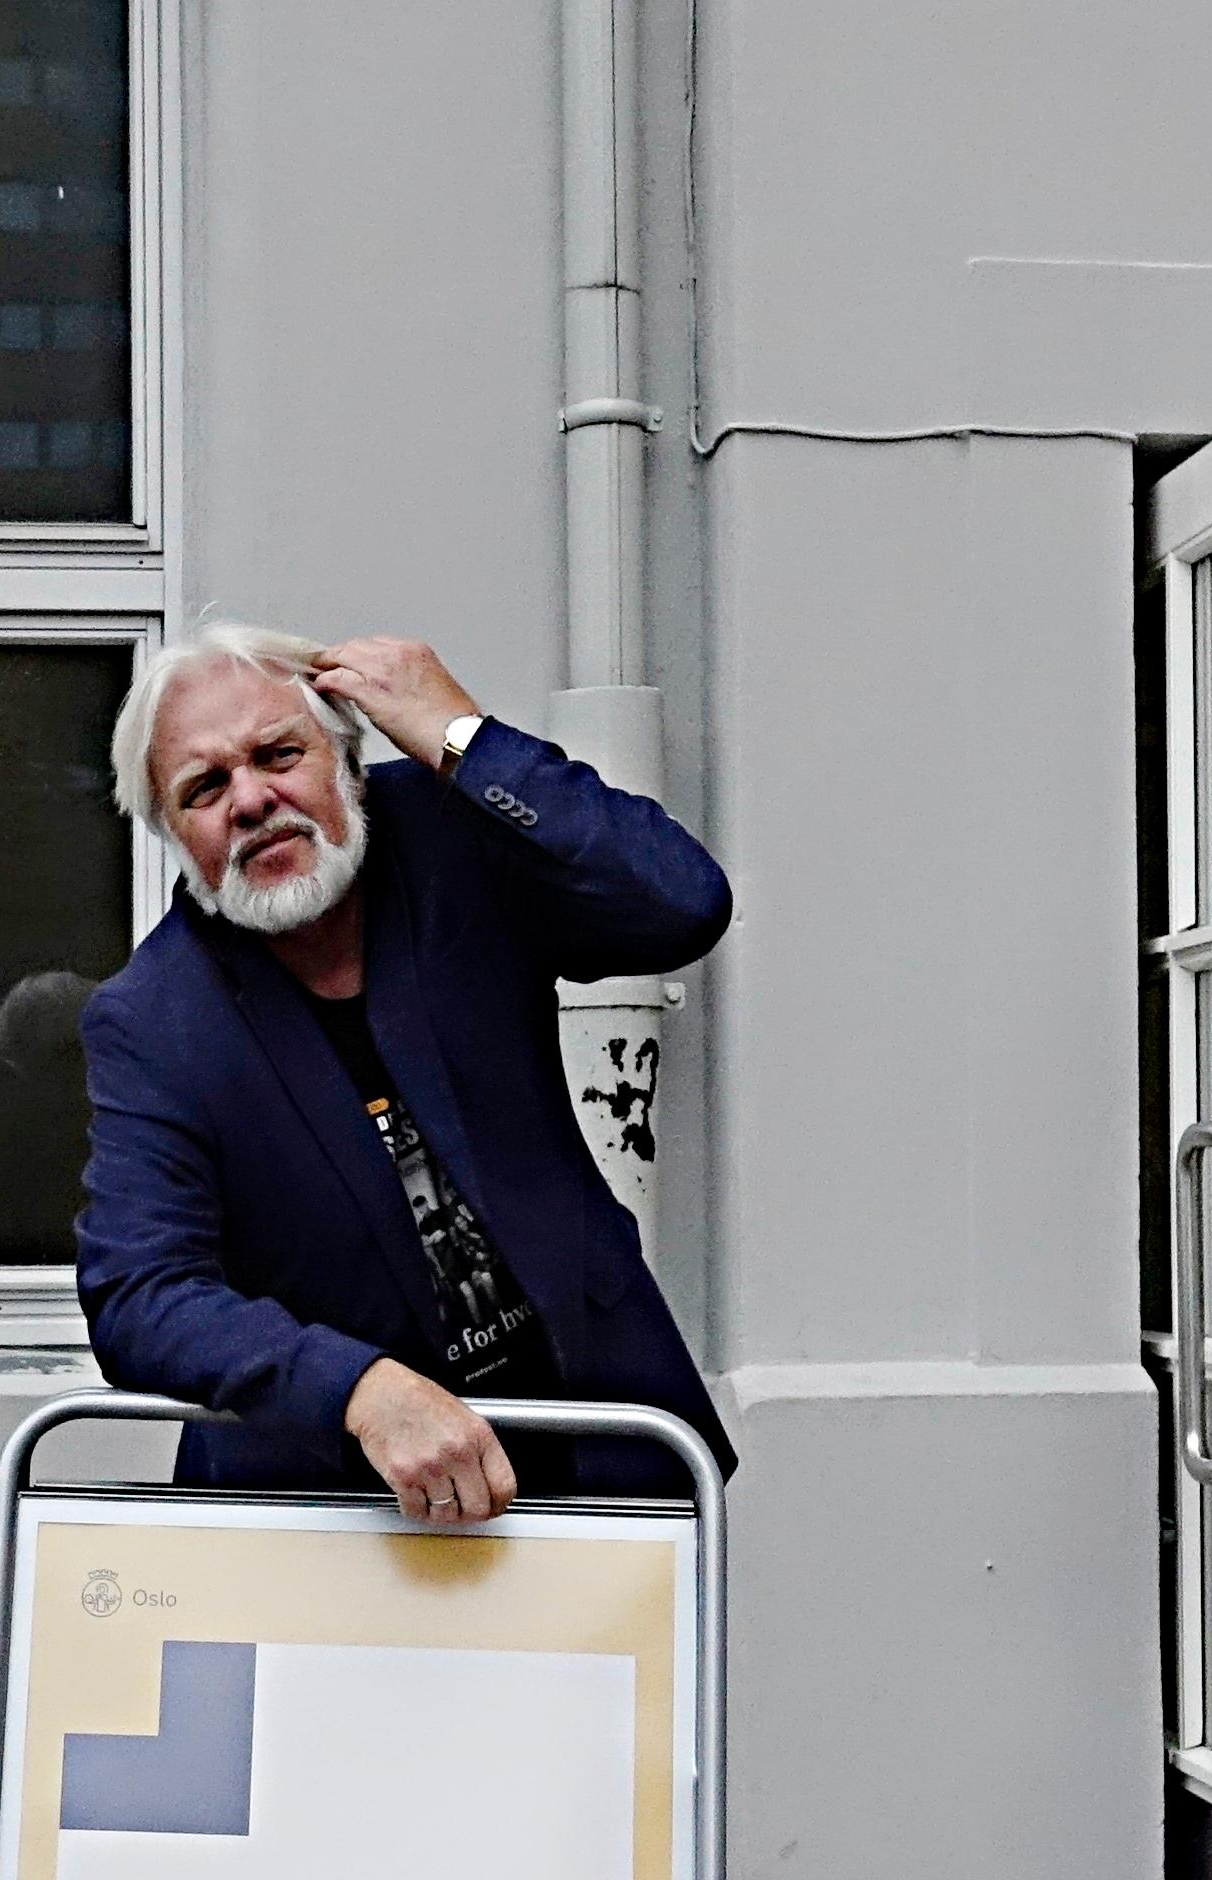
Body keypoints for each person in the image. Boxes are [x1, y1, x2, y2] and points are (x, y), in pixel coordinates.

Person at [74, 619, 736, 1523]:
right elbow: (140, 1294)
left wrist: (465, 740)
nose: (253, 799)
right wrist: (359, 1389)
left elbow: (681, 903)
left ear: (344, 756)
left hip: (596, 1450)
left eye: (278, 753)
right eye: (205, 786)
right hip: (342, 1511)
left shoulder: (449, 835)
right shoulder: (154, 1020)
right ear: (174, 837)